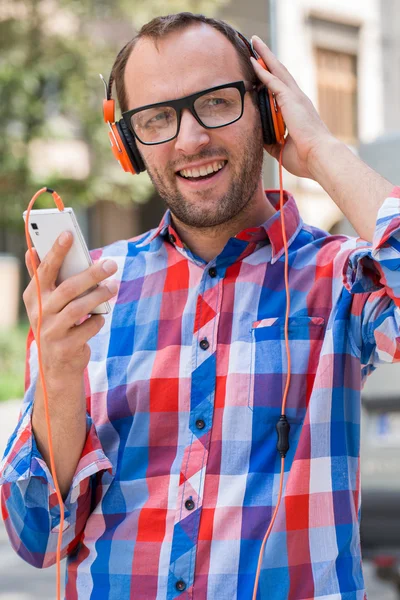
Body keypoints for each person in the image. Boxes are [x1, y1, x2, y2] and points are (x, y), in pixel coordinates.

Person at [0, 11, 399, 600]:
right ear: (128, 144)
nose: (190, 140)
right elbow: (38, 537)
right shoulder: (88, 295)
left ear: (267, 111)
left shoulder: (340, 275)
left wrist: (317, 148)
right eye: (158, 117)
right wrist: (58, 376)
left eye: (215, 102)